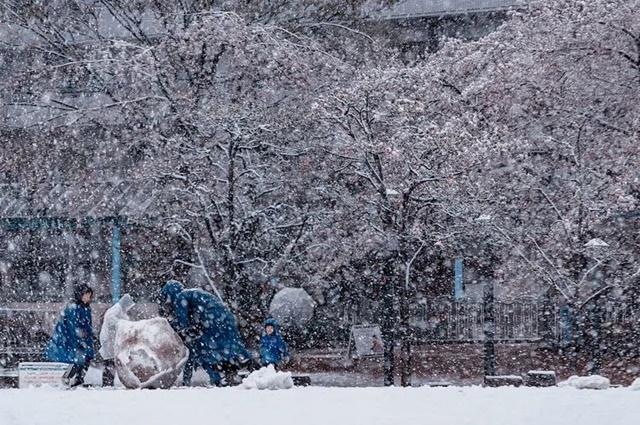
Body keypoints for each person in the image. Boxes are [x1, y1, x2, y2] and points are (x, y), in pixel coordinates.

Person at [160, 280, 252, 387]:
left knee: (203, 351)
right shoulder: (193, 294)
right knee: (231, 346)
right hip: (225, 318)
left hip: (212, 320)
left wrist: (167, 326)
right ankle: (248, 363)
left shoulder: (181, 297)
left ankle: (217, 378)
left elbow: (182, 323)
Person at [44, 283, 95, 387]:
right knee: (78, 360)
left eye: (89, 295)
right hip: (76, 339)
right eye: (86, 294)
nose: (88, 297)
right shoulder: (74, 308)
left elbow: (87, 325)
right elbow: (73, 326)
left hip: (85, 339)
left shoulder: (85, 308)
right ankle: (69, 377)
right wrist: (79, 339)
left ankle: (78, 379)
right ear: (80, 294)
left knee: (86, 359)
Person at [98, 293, 136, 387]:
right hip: (108, 339)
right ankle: (107, 383)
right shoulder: (116, 308)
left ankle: (108, 383)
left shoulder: (121, 311)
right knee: (109, 362)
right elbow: (111, 318)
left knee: (111, 362)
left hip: (112, 340)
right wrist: (121, 323)